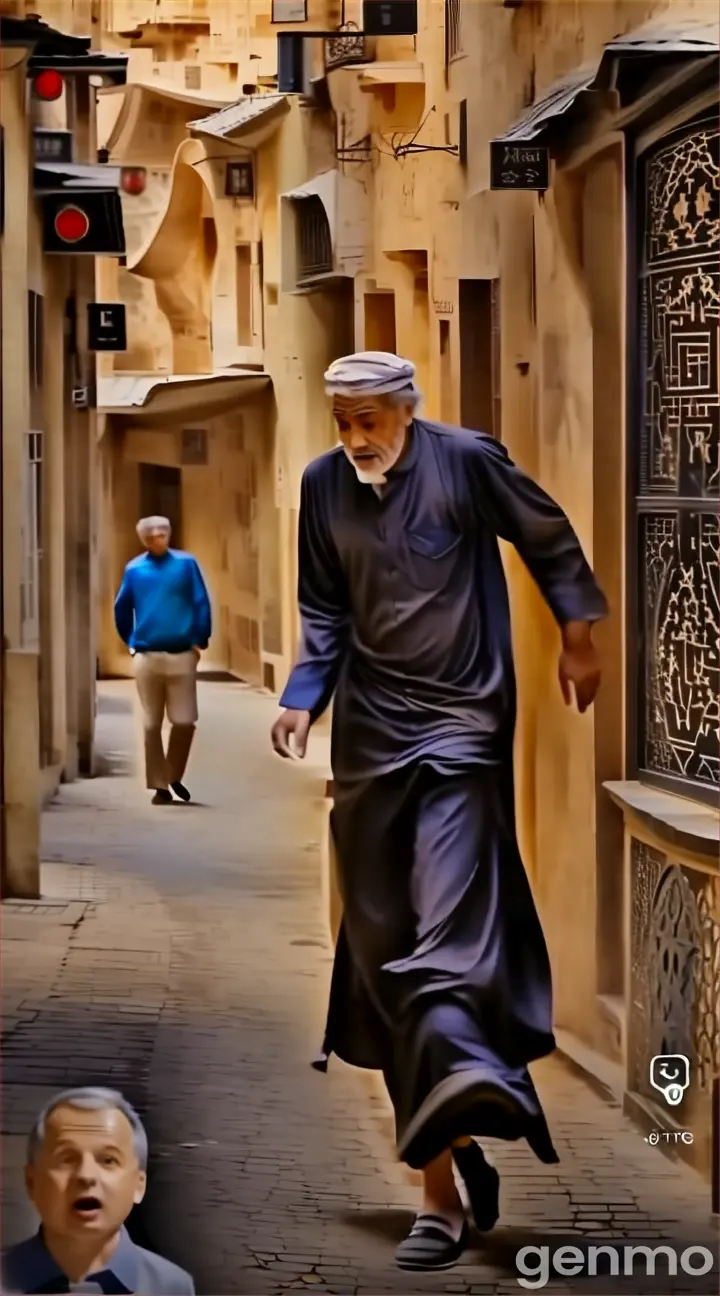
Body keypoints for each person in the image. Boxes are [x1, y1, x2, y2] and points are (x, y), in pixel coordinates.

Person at [271, 351, 608, 1271]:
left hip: (462, 730)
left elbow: (545, 535)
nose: (355, 438)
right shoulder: (323, 486)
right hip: (372, 739)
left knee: (442, 949)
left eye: (370, 419)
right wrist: (304, 697)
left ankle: (435, 1200)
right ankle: (454, 1151)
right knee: (385, 959)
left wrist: (578, 640)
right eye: (342, 420)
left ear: (407, 412)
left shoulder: (466, 461)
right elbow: (324, 609)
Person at [1, 1087, 195, 1293]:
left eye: (108, 1160)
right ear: (32, 1182)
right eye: (67, 1159)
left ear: (139, 1184)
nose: (86, 1175)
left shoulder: (172, 1287)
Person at [114, 517, 211, 805]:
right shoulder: (134, 570)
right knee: (150, 723)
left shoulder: (185, 564)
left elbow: (200, 602)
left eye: (164, 532)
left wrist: (199, 639)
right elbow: (122, 608)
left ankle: (173, 773)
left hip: (181, 652)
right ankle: (159, 786)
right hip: (147, 654)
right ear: (145, 539)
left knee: (184, 721)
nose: (160, 537)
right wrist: (131, 642)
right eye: (154, 535)